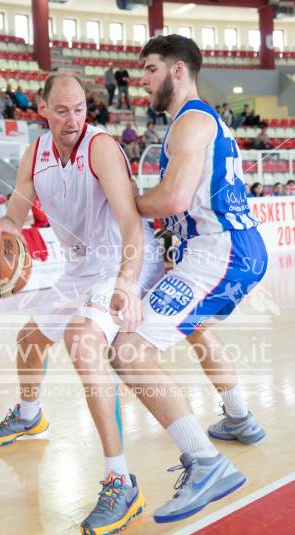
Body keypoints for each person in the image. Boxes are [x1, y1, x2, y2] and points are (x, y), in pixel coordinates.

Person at [0, 73, 163, 534]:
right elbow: (18, 207)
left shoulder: (99, 147)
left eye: (80, 108)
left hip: (118, 259)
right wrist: (4, 226)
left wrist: (126, 281)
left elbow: (129, 221)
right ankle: (29, 417)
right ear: (42, 109)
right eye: (62, 110)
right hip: (80, 266)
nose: (72, 119)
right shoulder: (36, 152)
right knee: (28, 340)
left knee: (82, 343)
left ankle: (121, 480)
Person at [105, 34, 267, 526]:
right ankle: (239, 417)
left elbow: (172, 199)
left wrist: (126, 200)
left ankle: (206, 464)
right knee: (195, 327)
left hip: (219, 253)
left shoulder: (190, 121)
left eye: (150, 69)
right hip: (228, 249)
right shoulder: (201, 121)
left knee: (127, 349)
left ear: (178, 69)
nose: (143, 80)